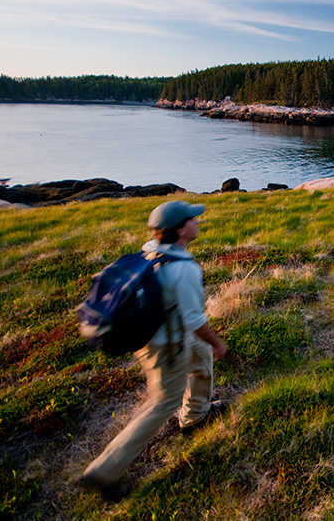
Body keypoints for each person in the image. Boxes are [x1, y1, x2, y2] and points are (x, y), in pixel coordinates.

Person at [79, 200, 228, 501]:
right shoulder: (184, 269)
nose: (198, 222)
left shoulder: (150, 250)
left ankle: (196, 414)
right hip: (166, 344)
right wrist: (217, 341)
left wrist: (206, 345)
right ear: (180, 229)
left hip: (167, 332)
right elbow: (195, 319)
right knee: (162, 403)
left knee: (201, 356)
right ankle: (104, 471)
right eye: (192, 219)